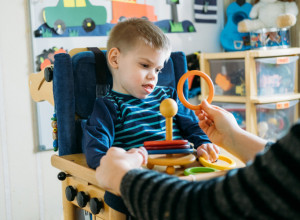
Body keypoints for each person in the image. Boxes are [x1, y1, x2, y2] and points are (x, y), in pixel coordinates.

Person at [96, 99, 300, 220]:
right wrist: (233, 137)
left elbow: (201, 210)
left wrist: (121, 176)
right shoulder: (107, 105)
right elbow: (286, 166)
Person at [83, 18, 219, 170]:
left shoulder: (169, 97)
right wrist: (124, 161)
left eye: (158, 69)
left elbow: (193, 128)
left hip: (182, 172)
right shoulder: (108, 106)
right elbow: (95, 153)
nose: (153, 76)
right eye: (145, 65)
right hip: (144, 180)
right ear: (115, 59)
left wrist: (203, 144)